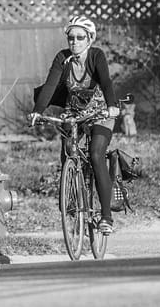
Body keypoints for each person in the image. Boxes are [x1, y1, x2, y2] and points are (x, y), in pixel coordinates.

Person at [31, 16, 120, 233]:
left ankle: (106, 217)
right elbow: (51, 85)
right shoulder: (62, 58)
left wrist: (111, 105)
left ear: (89, 39)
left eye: (80, 37)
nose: (75, 42)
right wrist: (37, 112)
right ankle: (71, 197)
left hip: (100, 111)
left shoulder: (96, 55)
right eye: (71, 37)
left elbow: (106, 81)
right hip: (74, 112)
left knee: (96, 154)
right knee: (68, 151)